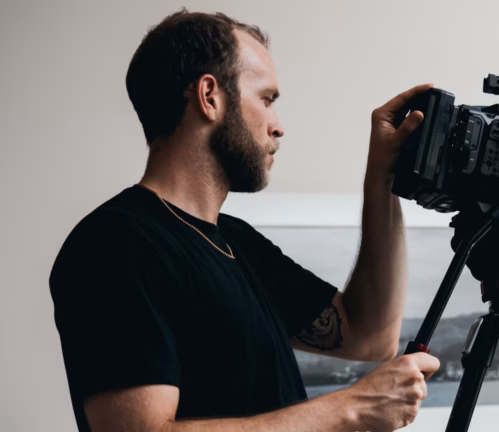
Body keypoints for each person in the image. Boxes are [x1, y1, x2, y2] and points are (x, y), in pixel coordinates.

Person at [49, 9, 440, 432]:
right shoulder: (113, 244)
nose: (278, 127)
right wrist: (352, 408)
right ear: (209, 96)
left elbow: (369, 335)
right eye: (267, 99)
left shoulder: (239, 242)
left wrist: (382, 178)